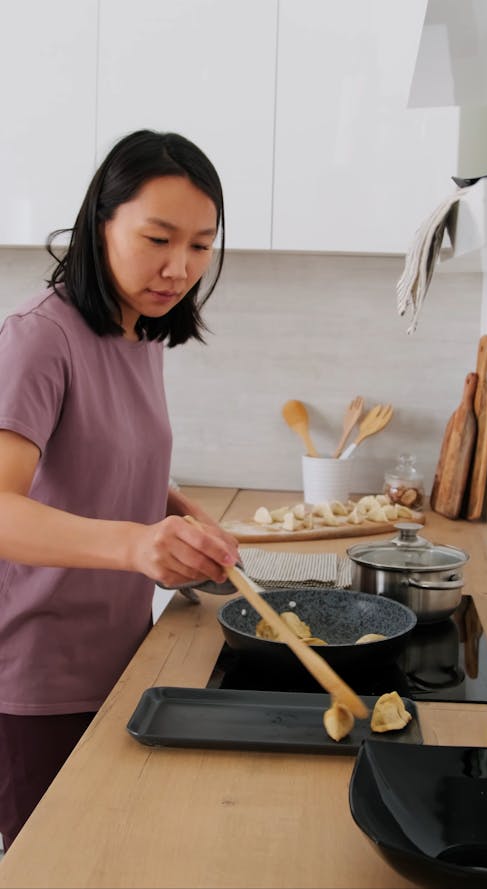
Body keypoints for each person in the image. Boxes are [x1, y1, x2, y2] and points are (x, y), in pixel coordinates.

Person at [0, 129, 239, 851]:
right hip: (40, 676)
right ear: (100, 222)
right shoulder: (40, 338)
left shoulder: (138, 335)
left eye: (201, 245)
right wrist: (139, 543)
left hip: (121, 654)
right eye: (158, 237)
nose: (179, 267)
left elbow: (101, 451)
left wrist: (177, 512)